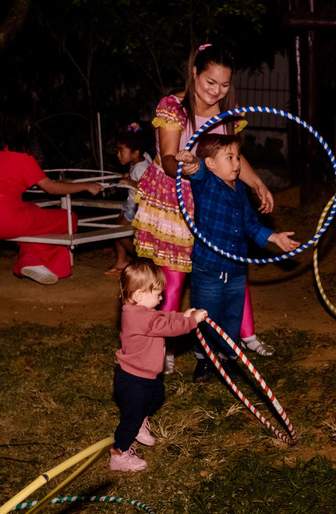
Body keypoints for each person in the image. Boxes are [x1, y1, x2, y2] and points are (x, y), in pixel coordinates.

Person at [132, 44, 276, 371]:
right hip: (176, 199)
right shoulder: (174, 108)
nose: (216, 91)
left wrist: (257, 184)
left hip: (213, 201)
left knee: (231, 265)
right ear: (194, 73)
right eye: (210, 82)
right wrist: (188, 163)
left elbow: (232, 156)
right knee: (175, 281)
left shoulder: (227, 113)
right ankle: (163, 348)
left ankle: (243, 336)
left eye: (224, 85)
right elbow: (169, 159)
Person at [176, 134, 298, 383]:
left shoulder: (240, 189)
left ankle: (229, 359)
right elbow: (196, 170)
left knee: (232, 316)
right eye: (229, 158)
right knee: (206, 316)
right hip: (208, 266)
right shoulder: (206, 183)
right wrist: (190, 161)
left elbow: (249, 224)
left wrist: (274, 238)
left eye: (238, 157)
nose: (237, 163)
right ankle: (204, 360)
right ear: (211, 163)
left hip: (236, 267)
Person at [0, 113, 104, 285]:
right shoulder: (21, 154)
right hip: (4, 220)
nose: (29, 128)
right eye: (27, 125)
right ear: (18, 129)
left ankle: (31, 259)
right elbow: (51, 187)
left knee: (35, 216)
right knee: (68, 218)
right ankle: (32, 261)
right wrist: (87, 186)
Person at [111, 258, 206, 471]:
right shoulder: (138, 317)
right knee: (130, 420)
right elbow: (166, 326)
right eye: (158, 293)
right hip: (133, 379)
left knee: (157, 396)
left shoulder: (140, 311)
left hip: (145, 375)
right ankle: (119, 453)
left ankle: (140, 422)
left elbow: (162, 318)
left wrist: (182, 315)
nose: (162, 297)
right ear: (139, 295)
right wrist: (191, 322)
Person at [106, 122, 155, 277]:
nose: (118, 155)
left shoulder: (141, 167)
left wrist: (130, 182)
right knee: (117, 228)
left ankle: (143, 259)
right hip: (130, 204)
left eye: (121, 151)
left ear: (135, 153)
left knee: (119, 233)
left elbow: (148, 188)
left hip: (137, 207)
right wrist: (129, 176)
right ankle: (121, 261)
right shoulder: (140, 160)